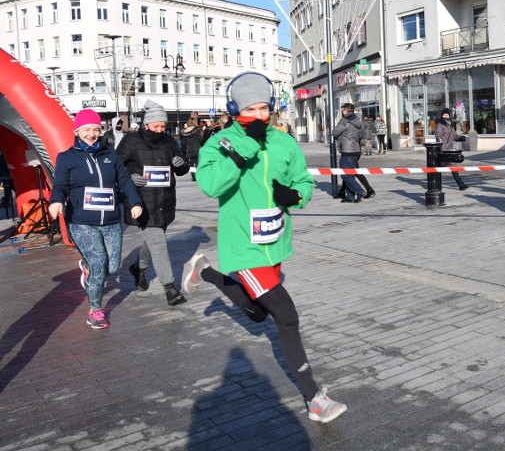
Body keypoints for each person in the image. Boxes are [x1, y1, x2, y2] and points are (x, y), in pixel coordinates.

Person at [184, 71, 347, 423]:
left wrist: (297, 195)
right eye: (250, 110)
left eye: (264, 108)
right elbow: (210, 185)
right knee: (287, 317)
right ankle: (314, 398)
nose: (258, 116)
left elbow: (302, 180)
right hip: (243, 242)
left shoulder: (284, 142)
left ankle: (206, 271)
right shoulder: (221, 142)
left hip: (275, 242)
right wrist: (246, 146)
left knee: (258, 314)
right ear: (234, 109)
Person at [48, 109, 144, 329]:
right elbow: (61, 185)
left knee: (111, 268)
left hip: (111, 221)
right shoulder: (67, 157)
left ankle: (88, 268)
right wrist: (56, 201)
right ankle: (96, 310)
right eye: (86, 130)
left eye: (95, 129)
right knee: (100, 265)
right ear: (77, 131)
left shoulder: (110, 155)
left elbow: (125, 181)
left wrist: (135, 202)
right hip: (82, 221)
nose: (91, 134)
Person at [116, 100, 190, 305]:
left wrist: (181, 162)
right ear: (146, 124)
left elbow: (182, 167)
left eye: (163, 126)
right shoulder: (131, 141)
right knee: (158, 243)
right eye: (156, 126)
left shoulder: (169, 141)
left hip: (165, 201)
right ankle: (170, 289)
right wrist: (130, 176)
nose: (159, 130)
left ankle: (139, 268)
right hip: (142, 202)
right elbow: (116, 167)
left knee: (154, 241)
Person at [333, 103, 373, 202]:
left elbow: (335, 133)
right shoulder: (358, 121)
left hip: (347, 151)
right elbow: (360, 136)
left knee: (345, 175)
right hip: (356, 150)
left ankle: (360, 191)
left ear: (346, 110)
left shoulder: (344, 121)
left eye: (343, 110)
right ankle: (350, 197)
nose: (342, 111)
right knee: (351, 173)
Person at [435, 107, 468, 191]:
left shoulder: (450, 125)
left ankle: (437, 184)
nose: (446, 116)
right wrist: (443, 149)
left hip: (450, 149)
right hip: (444, 149)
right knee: (451, 165)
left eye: (447, 115)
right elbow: (438, 137)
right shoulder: (440, 125)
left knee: (449, 166)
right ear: (442, 116)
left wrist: (461, 138)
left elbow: (455, 136)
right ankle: (460, 184)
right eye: (444, 115)